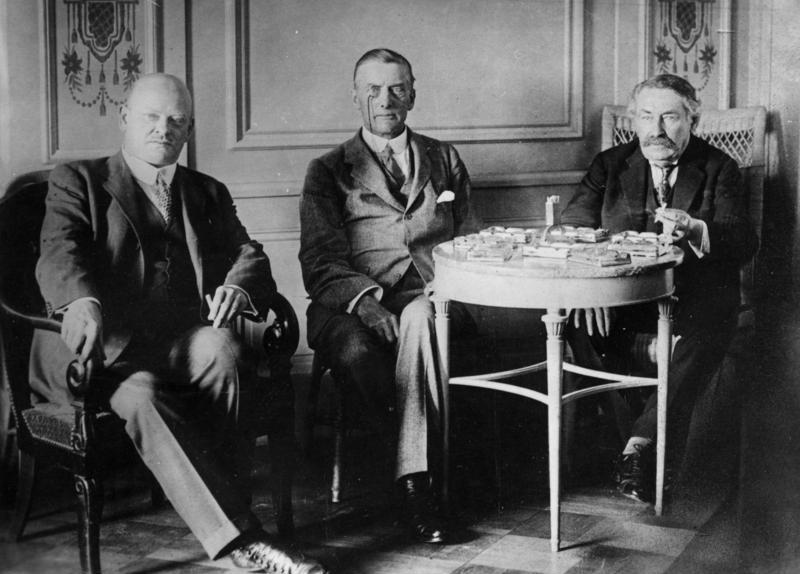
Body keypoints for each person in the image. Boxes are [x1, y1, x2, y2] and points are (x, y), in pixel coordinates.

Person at [30, 73, 327, 574]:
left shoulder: (206, 191)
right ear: (125, 118)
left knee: (224, 348)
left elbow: (247, 252)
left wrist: (237, 284)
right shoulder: (77, 179)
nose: (163, 129)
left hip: (179, 340)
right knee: (143, 394)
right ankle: (241, 542)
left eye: (176, 121)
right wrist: (81, 303)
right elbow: (62, 250)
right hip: (103, 352)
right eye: (151, 116)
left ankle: (222, 510)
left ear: (188, 130)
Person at [299, 48, 480, 543]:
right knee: (362, 352)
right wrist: (366, 301)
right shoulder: (328, 169)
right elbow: (319, 260)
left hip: (435, 291)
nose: (386, 99)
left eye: (397, 88)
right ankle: (422, 484)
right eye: (373, 90)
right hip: (349, 303)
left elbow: (470, 240)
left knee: (423, 316)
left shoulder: (444, 157)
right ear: (356, 97)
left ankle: (411, 484)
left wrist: (451, 287)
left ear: (413, 94)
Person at [561, 74, 758, 503]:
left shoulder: (718, 167)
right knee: (579, 321)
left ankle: (636, 448)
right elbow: (572, 227)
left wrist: (696, 228)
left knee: (713, 326)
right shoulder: (610, 164)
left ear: (693, 119)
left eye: (670, 117)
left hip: (694, 303)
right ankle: (641, 451)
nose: (656, 129)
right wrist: (594, 287)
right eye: (646, 117)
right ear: (634, 120)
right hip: (624, 302)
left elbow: (743, 241)